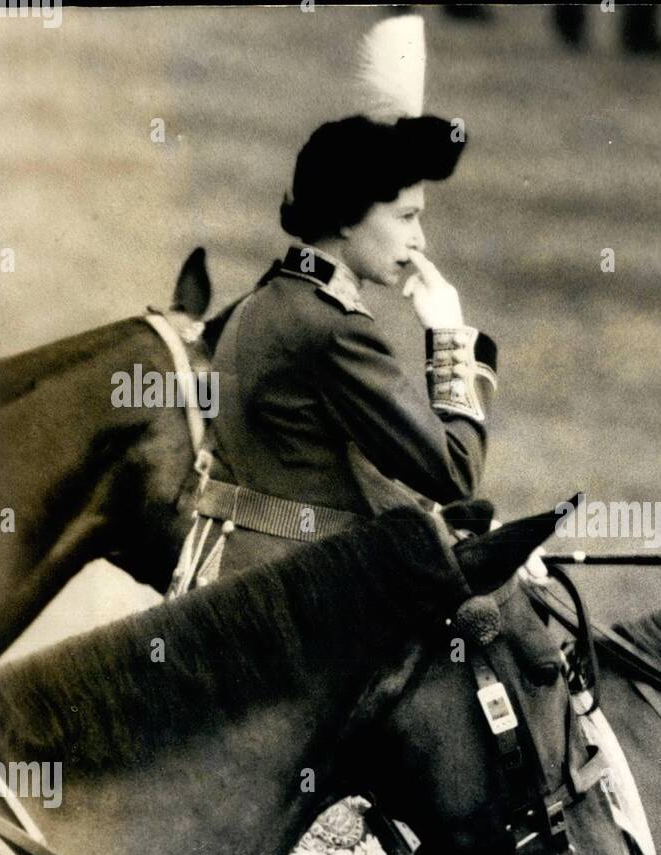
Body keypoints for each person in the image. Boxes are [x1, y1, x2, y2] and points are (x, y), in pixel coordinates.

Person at [168, 113, 499, 593]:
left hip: (224, 582)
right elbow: (454, 472)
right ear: (348, 215)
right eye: (407, 216)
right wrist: (451, 339)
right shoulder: (333, 327)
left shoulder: (262, 302)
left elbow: (350, 474)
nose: (419, 240)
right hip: (291, 603)